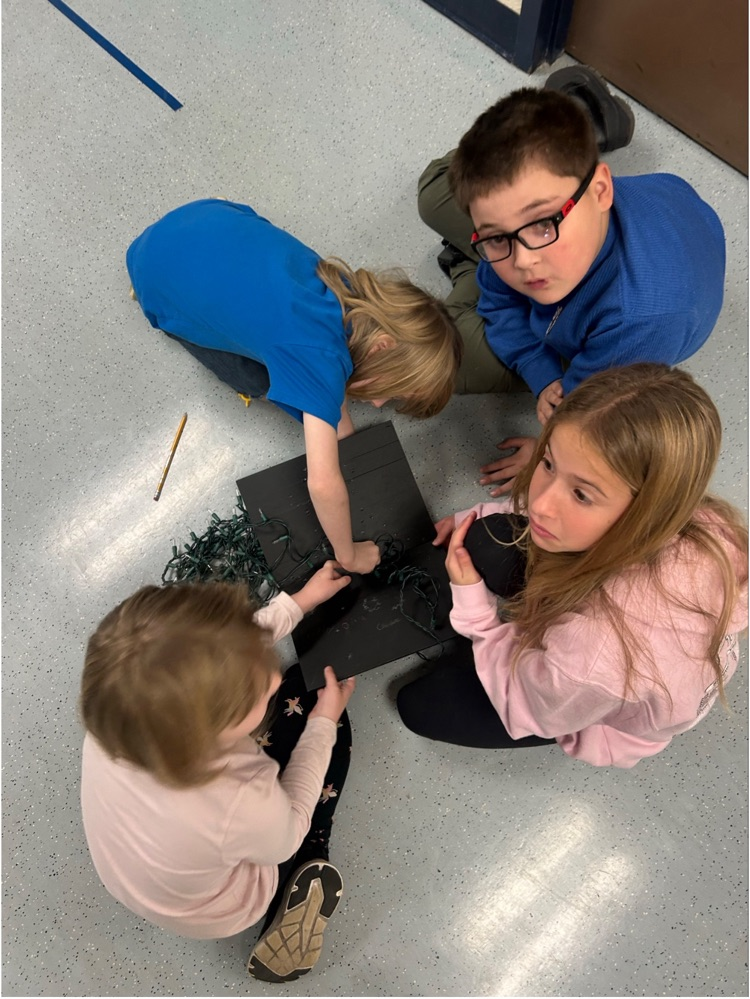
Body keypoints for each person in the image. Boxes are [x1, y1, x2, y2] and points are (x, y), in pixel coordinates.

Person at [397, 364, 747, 768]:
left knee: (417, 706)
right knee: (487, 537)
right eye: (547, 463)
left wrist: (476, 614)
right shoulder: (698, 520)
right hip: (602, 644)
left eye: (581, 494)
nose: (541, 505)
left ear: (647, 512)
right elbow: (553, 497)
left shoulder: (591, 659)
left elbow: (529, 706)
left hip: (585, 708)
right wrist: (475, 515)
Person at [417, 82, 725, 494]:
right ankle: (562, 118)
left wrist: (549, 457)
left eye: (544, 221)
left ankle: (564, 124)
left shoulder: (636, 321)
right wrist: (537, 367)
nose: (524, 261)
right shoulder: (533, 243)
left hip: (630, 323)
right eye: (495, 237)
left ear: (601, 190)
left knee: (441, 353)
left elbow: (585, 410)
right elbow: (498, 295)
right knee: (434, 190)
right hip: (646, 217)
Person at [127, 198, 462, 572]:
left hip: (203, 218)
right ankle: (147, 297)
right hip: (154, 282)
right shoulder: (318, 355)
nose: (380, 404)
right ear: (382, 345)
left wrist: (336, 417)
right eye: (393, 390)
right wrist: (348, 555)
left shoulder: (349, 291)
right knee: (253, 378)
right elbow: (322, 484)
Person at [80, 564, 356, 982]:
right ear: (217, 729)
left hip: (130, 875)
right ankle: (311, 857)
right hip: (225, 905)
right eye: (261, 691)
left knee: (295, 688)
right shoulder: (240, 791)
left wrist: (300, 602)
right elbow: (286, 832)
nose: (273, 677)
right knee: (325, 723)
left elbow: (220, 646)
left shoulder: (119, 711)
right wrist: (322, 724)